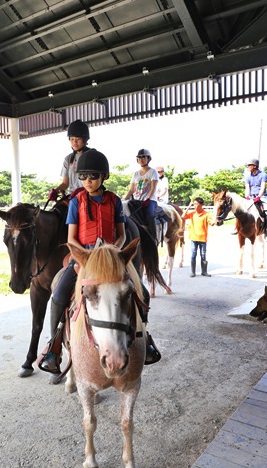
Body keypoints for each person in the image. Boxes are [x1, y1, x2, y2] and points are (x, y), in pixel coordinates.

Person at [39, 149, 160, 375]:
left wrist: (111, 250)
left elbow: (122, 235)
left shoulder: (114, 201)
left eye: (92, 177)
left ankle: (145, 337)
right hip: (84, 258)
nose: (87, 181)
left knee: (141, 292)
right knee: (57, 297)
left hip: (110, 257)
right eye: (83, 177)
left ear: (103, 177)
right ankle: (54, 346)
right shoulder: (76, 202)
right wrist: (86, 255)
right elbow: (71, 238)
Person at [49, 119, 91, 199]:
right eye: (72, 139)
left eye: (78, 139)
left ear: (85, 139)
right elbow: (65, 183)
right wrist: (56, 191)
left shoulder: (93, 156)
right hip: (72, 196)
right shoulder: (68, 159)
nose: (74, 142)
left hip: (89, 195)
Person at [124, 149, 158, 241]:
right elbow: (131, 189)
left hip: (150, 201)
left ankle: (153, 238)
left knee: (149, 215)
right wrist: (123, 200)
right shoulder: (135, 173)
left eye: (143, 157)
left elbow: (153, 188)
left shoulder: (153, 171)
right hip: (137, 200)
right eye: (139, 158)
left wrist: (148, 199)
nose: (141, 159)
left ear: (148, 159)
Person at [182, 197, 213, 277]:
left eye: (196, 204)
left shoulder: (206, 214)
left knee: (203, 255)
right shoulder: (192, 214)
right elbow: (183, 216)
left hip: (203, 239)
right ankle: (193, 272)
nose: (195, 206)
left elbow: (211, 222)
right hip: (193, 238)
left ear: (201, 205)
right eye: (194, 204)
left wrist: (215, 222)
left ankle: (204, 272)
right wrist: (189, 206)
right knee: (193, 254)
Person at [244, 158, 267, 231]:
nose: (248, 167)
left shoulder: (263, 175)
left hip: (262, 197)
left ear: (254, 166)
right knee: (242, 209)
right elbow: (247, 188)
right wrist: (247, 196)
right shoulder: (247, 176)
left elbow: (263, 187)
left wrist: (259, 196)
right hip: (251, 197)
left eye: (249, 165)